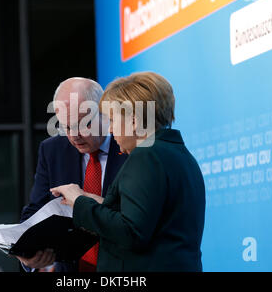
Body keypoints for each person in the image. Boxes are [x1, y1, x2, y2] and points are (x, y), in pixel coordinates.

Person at [51, 71, 206, 271]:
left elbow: (131, 232)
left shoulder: (145, 155)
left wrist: (80, 203)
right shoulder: (179, 154)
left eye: (113, 120)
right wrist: (94, 201)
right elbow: (150, 218)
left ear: (133, 120)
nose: (111, 130)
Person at [17, 77, 128, 272]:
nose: (74, 135)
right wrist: (26, 253)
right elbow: (36, 210)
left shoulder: (130, 146)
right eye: (66, 126)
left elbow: (138, 216)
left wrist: (87, 202)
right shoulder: (53, 150)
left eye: (81, 124)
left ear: (103, 112)